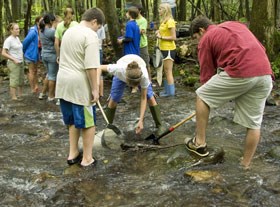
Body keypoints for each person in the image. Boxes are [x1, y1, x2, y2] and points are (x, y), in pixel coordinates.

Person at [185, 16, 274, 169]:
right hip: (265, 74)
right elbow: (260, 49)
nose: (197, 42)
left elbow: (206, 76)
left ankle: (199, 143)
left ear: (201, 30)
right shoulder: (236, 25)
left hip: (240, 71)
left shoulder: (207, 38)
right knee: (253, 123)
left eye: (195, 38)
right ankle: (245, 165)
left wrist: (210, 101)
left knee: (202, 95)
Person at [55, 8, 105, 167]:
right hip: (79, 84)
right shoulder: (90, 35)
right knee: (88, 122)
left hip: (63, 82)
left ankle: (73, 154)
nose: (98, 30)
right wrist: (95, 89)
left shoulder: (69, 31)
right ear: (94, 21)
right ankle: (87, 158)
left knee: (72, 121)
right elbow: (91, 66)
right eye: (99, 27)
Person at [100, 54, 166, 136]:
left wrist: (141, 120)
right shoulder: (118, 69)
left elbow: (143, 98)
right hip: (122, 70)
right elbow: (98, 67)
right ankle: (107, 128)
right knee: (114, 99)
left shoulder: (144, 77)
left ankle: (159, 125)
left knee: (150, 97)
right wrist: (95, 86)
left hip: (139, 67)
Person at [118, 7, 141, 94]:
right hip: (136, 49)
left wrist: (121, 40)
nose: (126, 14)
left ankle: (134, 87)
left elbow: (129, 38)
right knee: (136, 67)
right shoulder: (136, 24)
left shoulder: (129, 24)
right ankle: (135, 86)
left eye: (127, 12)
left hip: (130, 50)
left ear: (130, 14)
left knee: (131, 68)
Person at [156, 3, 177, 97]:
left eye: (160, 9)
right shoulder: (163, 21)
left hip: (169, 49)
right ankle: (167, 91)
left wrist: (161, 37)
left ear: (165, 10)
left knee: (168, 71)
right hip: (162, 48)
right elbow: (163, 32)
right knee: (165, 70)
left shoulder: (170, 21)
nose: (158, 11)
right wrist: (158, 32)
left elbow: (173, 37)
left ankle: (171, 93)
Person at [2, 23, 24, 101]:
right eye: (16, 29)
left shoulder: (17, 38)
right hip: (13, 63)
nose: (18, 30)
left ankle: (20, 95)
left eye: (18, 28)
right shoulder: (8, 40)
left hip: (21, 61)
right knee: (14, 79)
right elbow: (3, 53)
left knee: (21, 79)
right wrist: (13, 59)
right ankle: (14, 97)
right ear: (11, 30)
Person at [39, 13, 59, 102]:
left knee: (49, 74)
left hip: (44, 55)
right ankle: (51, 95)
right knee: (53, 76)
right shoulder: (51, 31)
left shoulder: (41, 30)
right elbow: (58, 41)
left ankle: (42, 93)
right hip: (51, 55)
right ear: (51, 21)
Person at [22, 16, 41, 94]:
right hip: (30, 54)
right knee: (31, 71)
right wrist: (24, 51)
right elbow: (25, 42)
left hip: (37, 54)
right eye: (41, 21)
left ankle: (36, 86)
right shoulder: (33, 31)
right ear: (37, 22)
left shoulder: (41, 30)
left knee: (35, 71)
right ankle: (32, 88)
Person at [135, 4, 151, 80]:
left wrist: (133, 29)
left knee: (146, 63)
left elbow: (142, 31)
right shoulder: (132, 20)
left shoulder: (143, 20)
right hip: (134, 45)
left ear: (139, 11)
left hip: (142, 44)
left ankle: (149, 81)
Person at [97, 26, 106, 97]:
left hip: (94, 50)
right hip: (99, 49)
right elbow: (103, 40)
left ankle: (98, 92)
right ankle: (101, 93)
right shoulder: (101, 27)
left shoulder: (88, 25)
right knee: (99, 69)